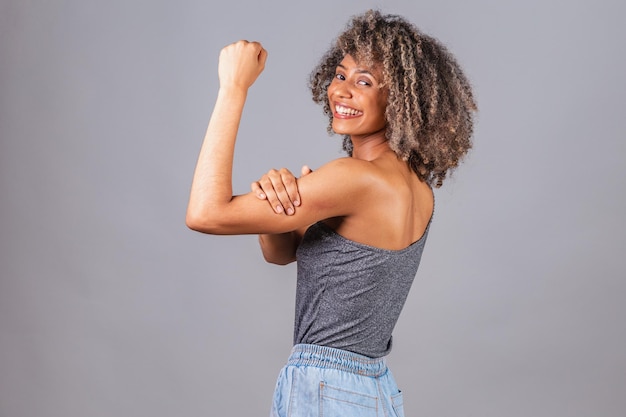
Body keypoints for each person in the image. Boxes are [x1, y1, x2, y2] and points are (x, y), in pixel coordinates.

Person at [186, 9, 476, 417]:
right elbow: (283, 253)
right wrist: (278, 211)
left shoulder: (354, 179)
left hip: (327, 388)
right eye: (340, 76)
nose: (342, 91)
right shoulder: (414, 188)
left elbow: (204, 213)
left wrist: (233, 88)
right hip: (374, 389)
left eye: (365, 82)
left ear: (402, 99)